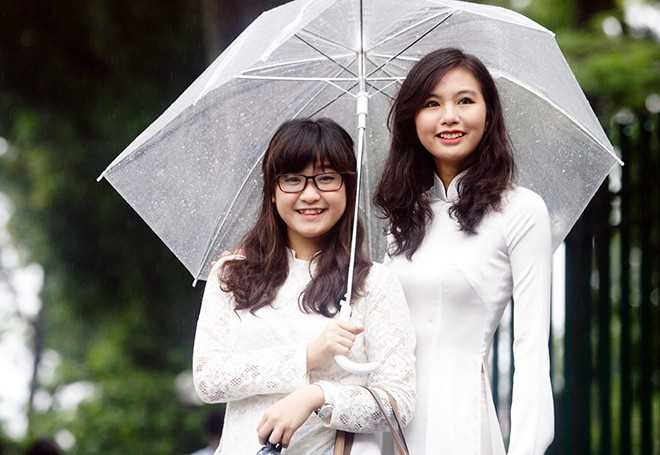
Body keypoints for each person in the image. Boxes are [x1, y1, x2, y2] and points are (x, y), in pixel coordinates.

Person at [193, 118, 415, 455]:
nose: (310, 195)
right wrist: (307, 357)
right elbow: (208, 380)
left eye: (326, 178)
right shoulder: (232, 274)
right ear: (272, 191)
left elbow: (398, 404)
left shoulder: (374, 283)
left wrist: (318, 396)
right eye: (293, 180)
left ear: (348, 188)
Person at [374, 48, 554, 454]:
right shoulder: (402, 218)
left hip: (459, 422)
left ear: (489, 114)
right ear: (412, 120)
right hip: (387, 419)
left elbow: (530, 349)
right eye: (431, 104)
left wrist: (526, 449)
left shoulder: (520, 210)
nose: (449, 116)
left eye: (465, 100)